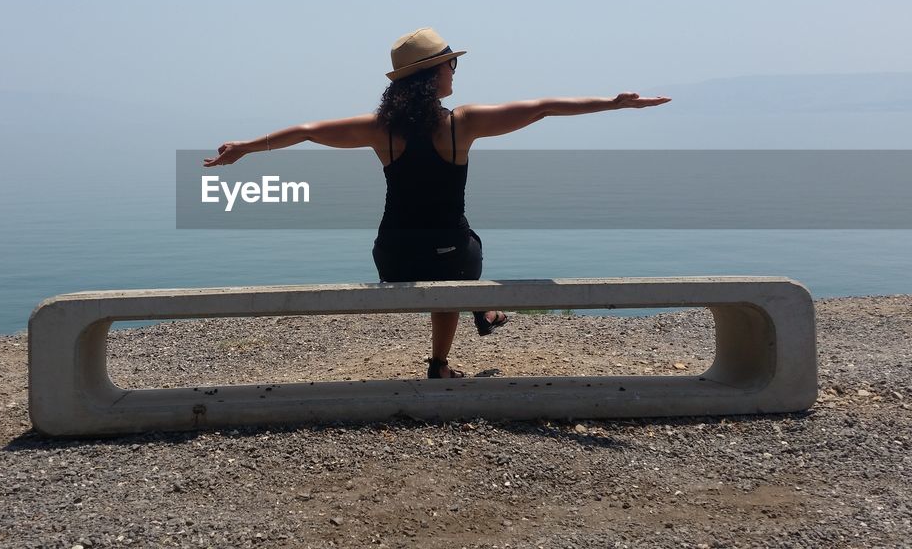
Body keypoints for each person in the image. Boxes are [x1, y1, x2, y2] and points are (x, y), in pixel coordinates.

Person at [203, 27, 671, 379]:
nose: (454, 72)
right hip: (449, 260)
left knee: (447, 252)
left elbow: (305, 130)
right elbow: (543, 106)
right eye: (451, 65)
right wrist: (612, 104)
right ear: (433, 75)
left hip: (392, 259)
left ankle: (479, 312)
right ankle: (445, 358)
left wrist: (245, 146)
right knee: (462, 248)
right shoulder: (460, 124)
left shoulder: (378, 128)